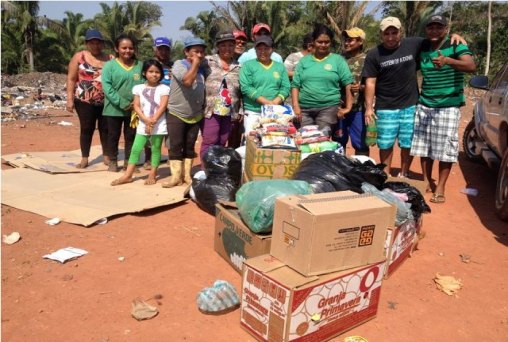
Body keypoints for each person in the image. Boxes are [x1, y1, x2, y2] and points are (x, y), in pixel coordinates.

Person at [363, 16, 466, 177]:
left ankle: (404, 173)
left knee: (407, 143)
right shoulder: (374, 54)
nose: (390, 37)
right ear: (381, 35)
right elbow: (370, 82)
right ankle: (386, 174)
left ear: (400, 33)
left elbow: (437, 37)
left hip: (410, 105)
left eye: (394, 33)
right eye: (386, 33)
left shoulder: (415, 43)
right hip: (385, 107)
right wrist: (369, 108)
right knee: (385, 143)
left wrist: (455, 35)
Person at [410, 14, 476, 203]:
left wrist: (449, 61)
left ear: (446, 30)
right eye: (431, 27)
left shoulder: (456, 45)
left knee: (445, 147)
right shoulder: (423, 46)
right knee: (424, 146)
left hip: (448, 104)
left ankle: (440, 187)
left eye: (439, 27)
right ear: (426, 30)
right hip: (425, 103)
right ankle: (425, 182)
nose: (434, 30)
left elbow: (471, 66)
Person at [111, 59, 170, 186]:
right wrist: (145, 120)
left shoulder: (164, 88)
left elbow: (162, 106)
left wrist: (153, 120)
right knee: (136, 149)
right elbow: (136, 106)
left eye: (157, 72)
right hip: (143, 123)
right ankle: (128, 175)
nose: (154, 74)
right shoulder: (138, 88)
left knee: (155, 149)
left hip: (158, 124)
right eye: (151, 71)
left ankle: (153, 173)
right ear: (144, 73)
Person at [162, 37, 210, 188]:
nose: (200, 55)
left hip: (195, 114)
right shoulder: (179, 65)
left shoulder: (203, 69)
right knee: (176, 145)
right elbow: (187, 82)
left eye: (202, 52)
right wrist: (195, 63)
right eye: (196, 52)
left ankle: (186, 175)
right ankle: (175, 177)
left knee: (189, 145)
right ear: (186, 52)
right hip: (177, 112)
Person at [291, 24, 353, 132]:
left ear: (331, 42)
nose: (323, 45)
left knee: (323, 138)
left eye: (327, 42)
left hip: (328, 108)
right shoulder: (304, 61)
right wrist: (296, 106)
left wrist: (348, 107)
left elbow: (348, 84)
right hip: (304, 109)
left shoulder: (337, 60)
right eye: (320, 42)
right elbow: (295, 85)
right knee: (305, 140)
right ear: (313, 42)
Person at [66, 29, 113, 168]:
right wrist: (69, 99)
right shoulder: (79, 57)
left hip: (106, 101)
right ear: (87, 44)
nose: (95, 46)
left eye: (98, 43)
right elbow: (71, 78)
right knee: (87, 128)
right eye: (92, 43)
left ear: (102, 44)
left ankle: (106, 156)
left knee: (106, 129)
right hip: (84, 101)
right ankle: (85, 158)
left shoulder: (110, 59)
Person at [102, 33, 143, 172]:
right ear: (117, 48)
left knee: (131, 136)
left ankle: (129, 162)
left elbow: (144, 85)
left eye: (130, 48)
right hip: (113, 108)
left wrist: (136, 103)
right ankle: (113, 161)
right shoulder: (109, 66)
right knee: (113, 135)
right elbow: (107, 87)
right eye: (124, 48)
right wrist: (122, 102)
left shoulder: (140, 65)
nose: (127, 51)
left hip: (134, 109)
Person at [200, 31, 242, 162]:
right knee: (210, 140)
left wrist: (241, 111)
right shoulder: (207, 61)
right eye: (223, 45)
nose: (227, 49)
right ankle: (205, 171)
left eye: (230, 45)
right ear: (217, 46)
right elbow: (191, 68)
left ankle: (216, 170)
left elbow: (242, 91)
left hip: (230, 112)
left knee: (222, 140)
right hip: (210, 110)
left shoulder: (239, 67)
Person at [239, 36, 290, 135]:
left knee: (274, 140)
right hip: (253, 111)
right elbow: (246, 87)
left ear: (272, 50)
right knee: (252, 140)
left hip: (276, 112)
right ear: (255, 50)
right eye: (259, 48)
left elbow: (286, 87)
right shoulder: (248, 65)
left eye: (266, 48)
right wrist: (266, 102)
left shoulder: (280, 67)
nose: (263, 51)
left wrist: (275, 102)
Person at [333, 27, 370, 156]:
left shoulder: (368, 59)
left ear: (360, 42)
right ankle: (339, 171)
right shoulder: (338, 59)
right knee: (338, 141)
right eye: (346, 40)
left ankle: (362, 172)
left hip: (358, 109)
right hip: (339, 108)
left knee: (360, 143)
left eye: (351, 40)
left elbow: (374, 83)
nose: (347, 43)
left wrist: (361, 87)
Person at [143, 36, 174, 171]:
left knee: (171, 132)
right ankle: (148, 159)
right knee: (151, 130)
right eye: (160, 49)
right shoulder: (149, 65)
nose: (163, 52)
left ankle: (171, 158)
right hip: (153, 104)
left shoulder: (174, 66)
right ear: (155, 49)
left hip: (171, 104)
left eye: (166, 49)